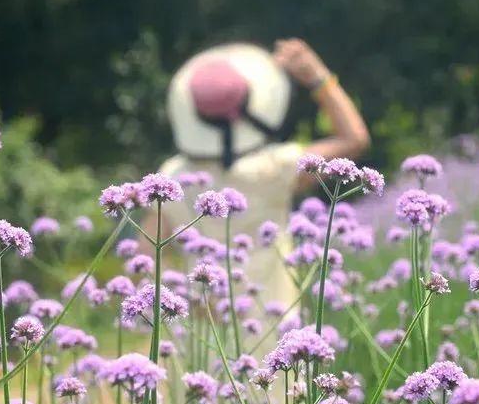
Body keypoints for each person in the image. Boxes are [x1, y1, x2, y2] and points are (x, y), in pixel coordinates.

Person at [149, 38, 369, 307]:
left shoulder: (171, 176)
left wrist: (184, 299)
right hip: (278, 325)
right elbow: (354, 140)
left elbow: (146, 254)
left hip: (205, 322)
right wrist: (318, 78)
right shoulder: (272, 168)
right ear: (252, 108)